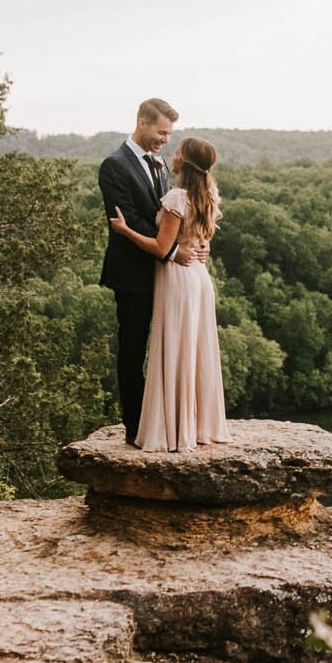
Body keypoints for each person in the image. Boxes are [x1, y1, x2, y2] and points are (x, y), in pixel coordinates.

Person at [109, 134, 229, 449]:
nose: (171, 155)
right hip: (200, 278)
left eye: (177, 152)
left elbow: (162, 247)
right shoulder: (209, 193)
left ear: (184, 163)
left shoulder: (178, 197)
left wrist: (126, 231)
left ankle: (174, 430)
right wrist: (201, 246)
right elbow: (205, 239)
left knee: (176, 348)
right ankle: (195, 426)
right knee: (195, 348)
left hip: (178, 277)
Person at [97, 98, 197, 442]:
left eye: (169, 134)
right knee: (133, 349)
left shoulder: (159, 162)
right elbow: (129, 219)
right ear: (142, 122)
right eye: (160, 132)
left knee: (168, 347)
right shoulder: (114, 166)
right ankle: (136, 427)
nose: (164, 140)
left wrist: (189, 241)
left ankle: (165, 419)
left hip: (164, 272)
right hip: (133, 273)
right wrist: (170, 249)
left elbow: (167, 214)